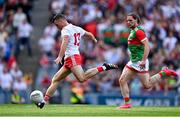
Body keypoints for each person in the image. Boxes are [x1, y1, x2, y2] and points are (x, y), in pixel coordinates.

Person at [36, 13, 118, 109]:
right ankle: (43, 102)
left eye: (56, 24)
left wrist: (59, 57)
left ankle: (104, 67)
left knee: (82, 78)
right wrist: (94, 39)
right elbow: (89, 34)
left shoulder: (65, 30)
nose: (56, 26)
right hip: (69, 59)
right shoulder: (77, 28)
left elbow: (65, 42)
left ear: (61, 21)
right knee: (55, 79)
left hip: (72, 57)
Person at [117, 13, 177, 109]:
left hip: (140, 61)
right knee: (122, 80)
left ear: (136, 20)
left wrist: (144, 60)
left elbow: (147, 46)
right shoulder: (132, 31)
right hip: (133, 61)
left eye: (131, 20)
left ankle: (164, 73)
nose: (128, 22)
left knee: (147, 85)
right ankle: (127, 104)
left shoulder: (139, 32)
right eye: (127, 20)